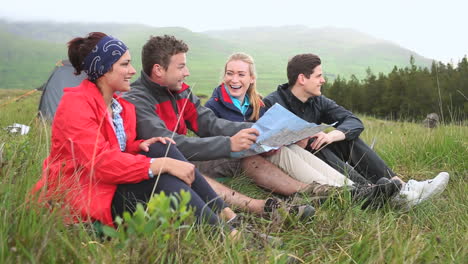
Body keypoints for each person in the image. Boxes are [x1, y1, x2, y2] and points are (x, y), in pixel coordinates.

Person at [124, 35, 391, 214]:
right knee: (240, 154)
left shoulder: (182, 93)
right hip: (166, 162)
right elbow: (170, 147)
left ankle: (330, 193)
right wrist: (230, 144)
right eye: (181, 66)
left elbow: (209, 124)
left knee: (252, 153)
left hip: (191, 156)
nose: (187, 73)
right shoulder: (139, 100)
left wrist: (256, 133)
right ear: (159, 70)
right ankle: (268, 208)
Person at [31, 32, 240, 235]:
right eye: (124, 64)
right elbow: (100, 163)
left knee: (163, 146)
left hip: (108, 185)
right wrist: (161, 164)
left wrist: (137, 146)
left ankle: (226, 215)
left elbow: (116, 147)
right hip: (85, 195)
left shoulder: (120, 107)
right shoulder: (75, 105)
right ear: (103, 69)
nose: (132, 70)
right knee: (163, 179)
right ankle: (229, 237)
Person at [263, 53, 450, 208]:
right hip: (297, 165)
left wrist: (334, 134)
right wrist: (298, 139)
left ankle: (401, 187)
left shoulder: (318, 101)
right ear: (302, 79)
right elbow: (265, 142)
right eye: (319, 76)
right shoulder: (273, 102)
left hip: (320, 155)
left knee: (344, 138)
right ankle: (372, 192)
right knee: (315, 144)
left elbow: (353, 121)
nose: (323, 80)